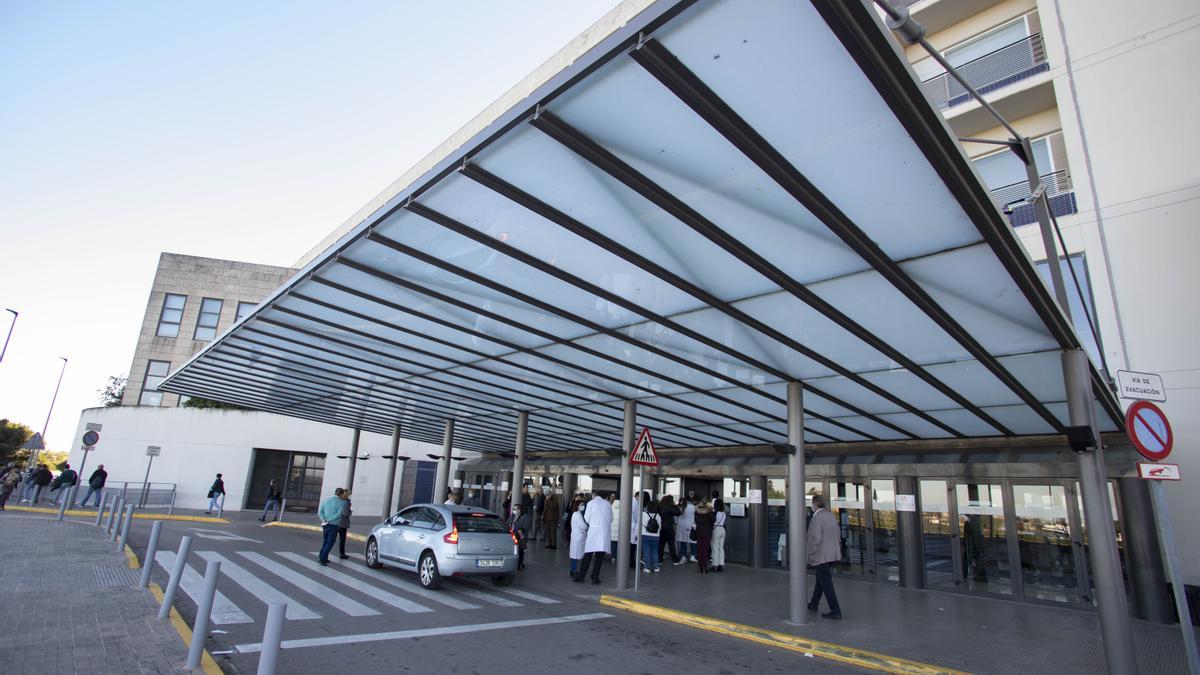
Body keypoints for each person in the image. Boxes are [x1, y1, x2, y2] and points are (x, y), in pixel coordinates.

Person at [807, 494, 842, 619]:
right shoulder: (831, 515)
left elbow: (816, 538)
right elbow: (838, 533)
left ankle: (835, 610)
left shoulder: (817, 518)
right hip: (832, 554)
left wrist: (811, 555)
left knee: (826, 582)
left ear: (815, 504)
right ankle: (813, 603)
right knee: (820, 579)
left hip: (822, 554)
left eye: (812, 503)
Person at [574, 491, 612, 584]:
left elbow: (587, 518)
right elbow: (611, 518)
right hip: (604, 533)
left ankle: (581, 576)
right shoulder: (607, 504)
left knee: (588, 554)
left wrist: (594, 523)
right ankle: (595, 577)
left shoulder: (591, 503)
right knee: (599, 557)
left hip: (593, 532)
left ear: (594, 495)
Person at [317, 488, 347, 566]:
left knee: (325, 541)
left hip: (325, 524)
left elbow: (320, 512)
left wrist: (324, 519)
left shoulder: (327, 500)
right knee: (330, 543)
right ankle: (322, 558)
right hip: (333, 525)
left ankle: (322, 556)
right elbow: (338, 515)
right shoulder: (342, 503)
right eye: (343, 494)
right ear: (340, 494)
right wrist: (329, 520)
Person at [657, 495, 681, 565]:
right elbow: (678, 513)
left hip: (661, 527)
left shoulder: (659, 506)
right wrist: (675, 505)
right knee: (671, 544)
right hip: (669, 527)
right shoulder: (670, 506)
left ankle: (659, 560)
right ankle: (675, 560)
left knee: (661, 544)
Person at [694, 498, 715, 573]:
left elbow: (696, 521)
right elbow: (713, 520)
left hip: (699, 531)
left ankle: (700, 565)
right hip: (707, 532)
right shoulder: (709, 512)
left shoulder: (697, 512)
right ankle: (705, 567)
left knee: (700, 549)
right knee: (705, 550)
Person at [641, 501, 662, 573]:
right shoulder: (658, 515)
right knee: (655, 551)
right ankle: (656, 567)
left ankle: (647, 568)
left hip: (645, 535)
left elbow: (639, 525)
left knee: (647, 551)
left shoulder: (643, 514)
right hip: (656, 536)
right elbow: (660, 527)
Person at [675, 495, 696, 564]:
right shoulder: (693, 507)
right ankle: (692, 556)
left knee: (683, 541)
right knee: (692, 540)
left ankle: (683, 557)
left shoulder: (681, 507)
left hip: (681, 526)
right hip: (690, 525)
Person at [568, 499, 587, 577]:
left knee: (575, 554)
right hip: (577, 537)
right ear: (577, 506)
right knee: (575, 555)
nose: (582, 506)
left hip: (578, 537)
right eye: (581, 505)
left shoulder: (578, 514)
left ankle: (573, 570)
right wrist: (587, 527)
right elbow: (583, 526)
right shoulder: (576, 514)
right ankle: (573, 570)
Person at [509, 503, 530, 570]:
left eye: (515, 509)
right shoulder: (512, 516)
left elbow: (525, 527)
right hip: (512, 535)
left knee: (520, 550)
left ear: (519, 510)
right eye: (513, 509)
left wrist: (520, 531)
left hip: (520, 536)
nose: (513, 510)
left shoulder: (524, 516)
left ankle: (519, 564)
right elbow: (508, 523)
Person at [711, 498, 728, 572]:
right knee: (721, 548)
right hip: (723, 530)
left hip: (716, 530)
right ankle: (721, 564)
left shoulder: (715, 512)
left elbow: (712, 521)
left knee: (715, 548)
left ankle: (715, 565)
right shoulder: (724, 513)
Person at [337, 491, 353, 559]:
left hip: (336, 522)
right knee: (342, 539)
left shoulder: (339, 501)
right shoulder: (347, 502)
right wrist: (350, 512)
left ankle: (324, 555)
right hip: (343, 523)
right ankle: (342, 553)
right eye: (349, 495)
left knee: (331, 540)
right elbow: (345, 513)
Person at [608, 493, 620, 562]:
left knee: (613, 544)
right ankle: (619, 556)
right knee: (618, 544)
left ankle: (613, 558)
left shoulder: (610, 509)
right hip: (619, 531)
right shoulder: (622, 511)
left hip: (612, 530)